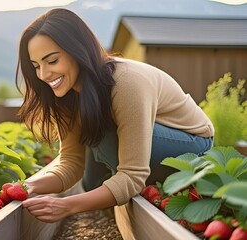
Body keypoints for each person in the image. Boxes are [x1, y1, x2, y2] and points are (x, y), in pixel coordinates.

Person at [15, 8, 214, 223]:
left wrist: (66, 206)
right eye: (36, 66)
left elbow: (132, 175)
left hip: (192, 143)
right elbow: (71, 164)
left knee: (103, 135)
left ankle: (155, 191)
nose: (43, 75)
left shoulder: (125, 83)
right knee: (93, 183)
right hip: (150, 139)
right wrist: (28, 186)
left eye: (52, 61)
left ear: (78, 51)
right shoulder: (67, 94)